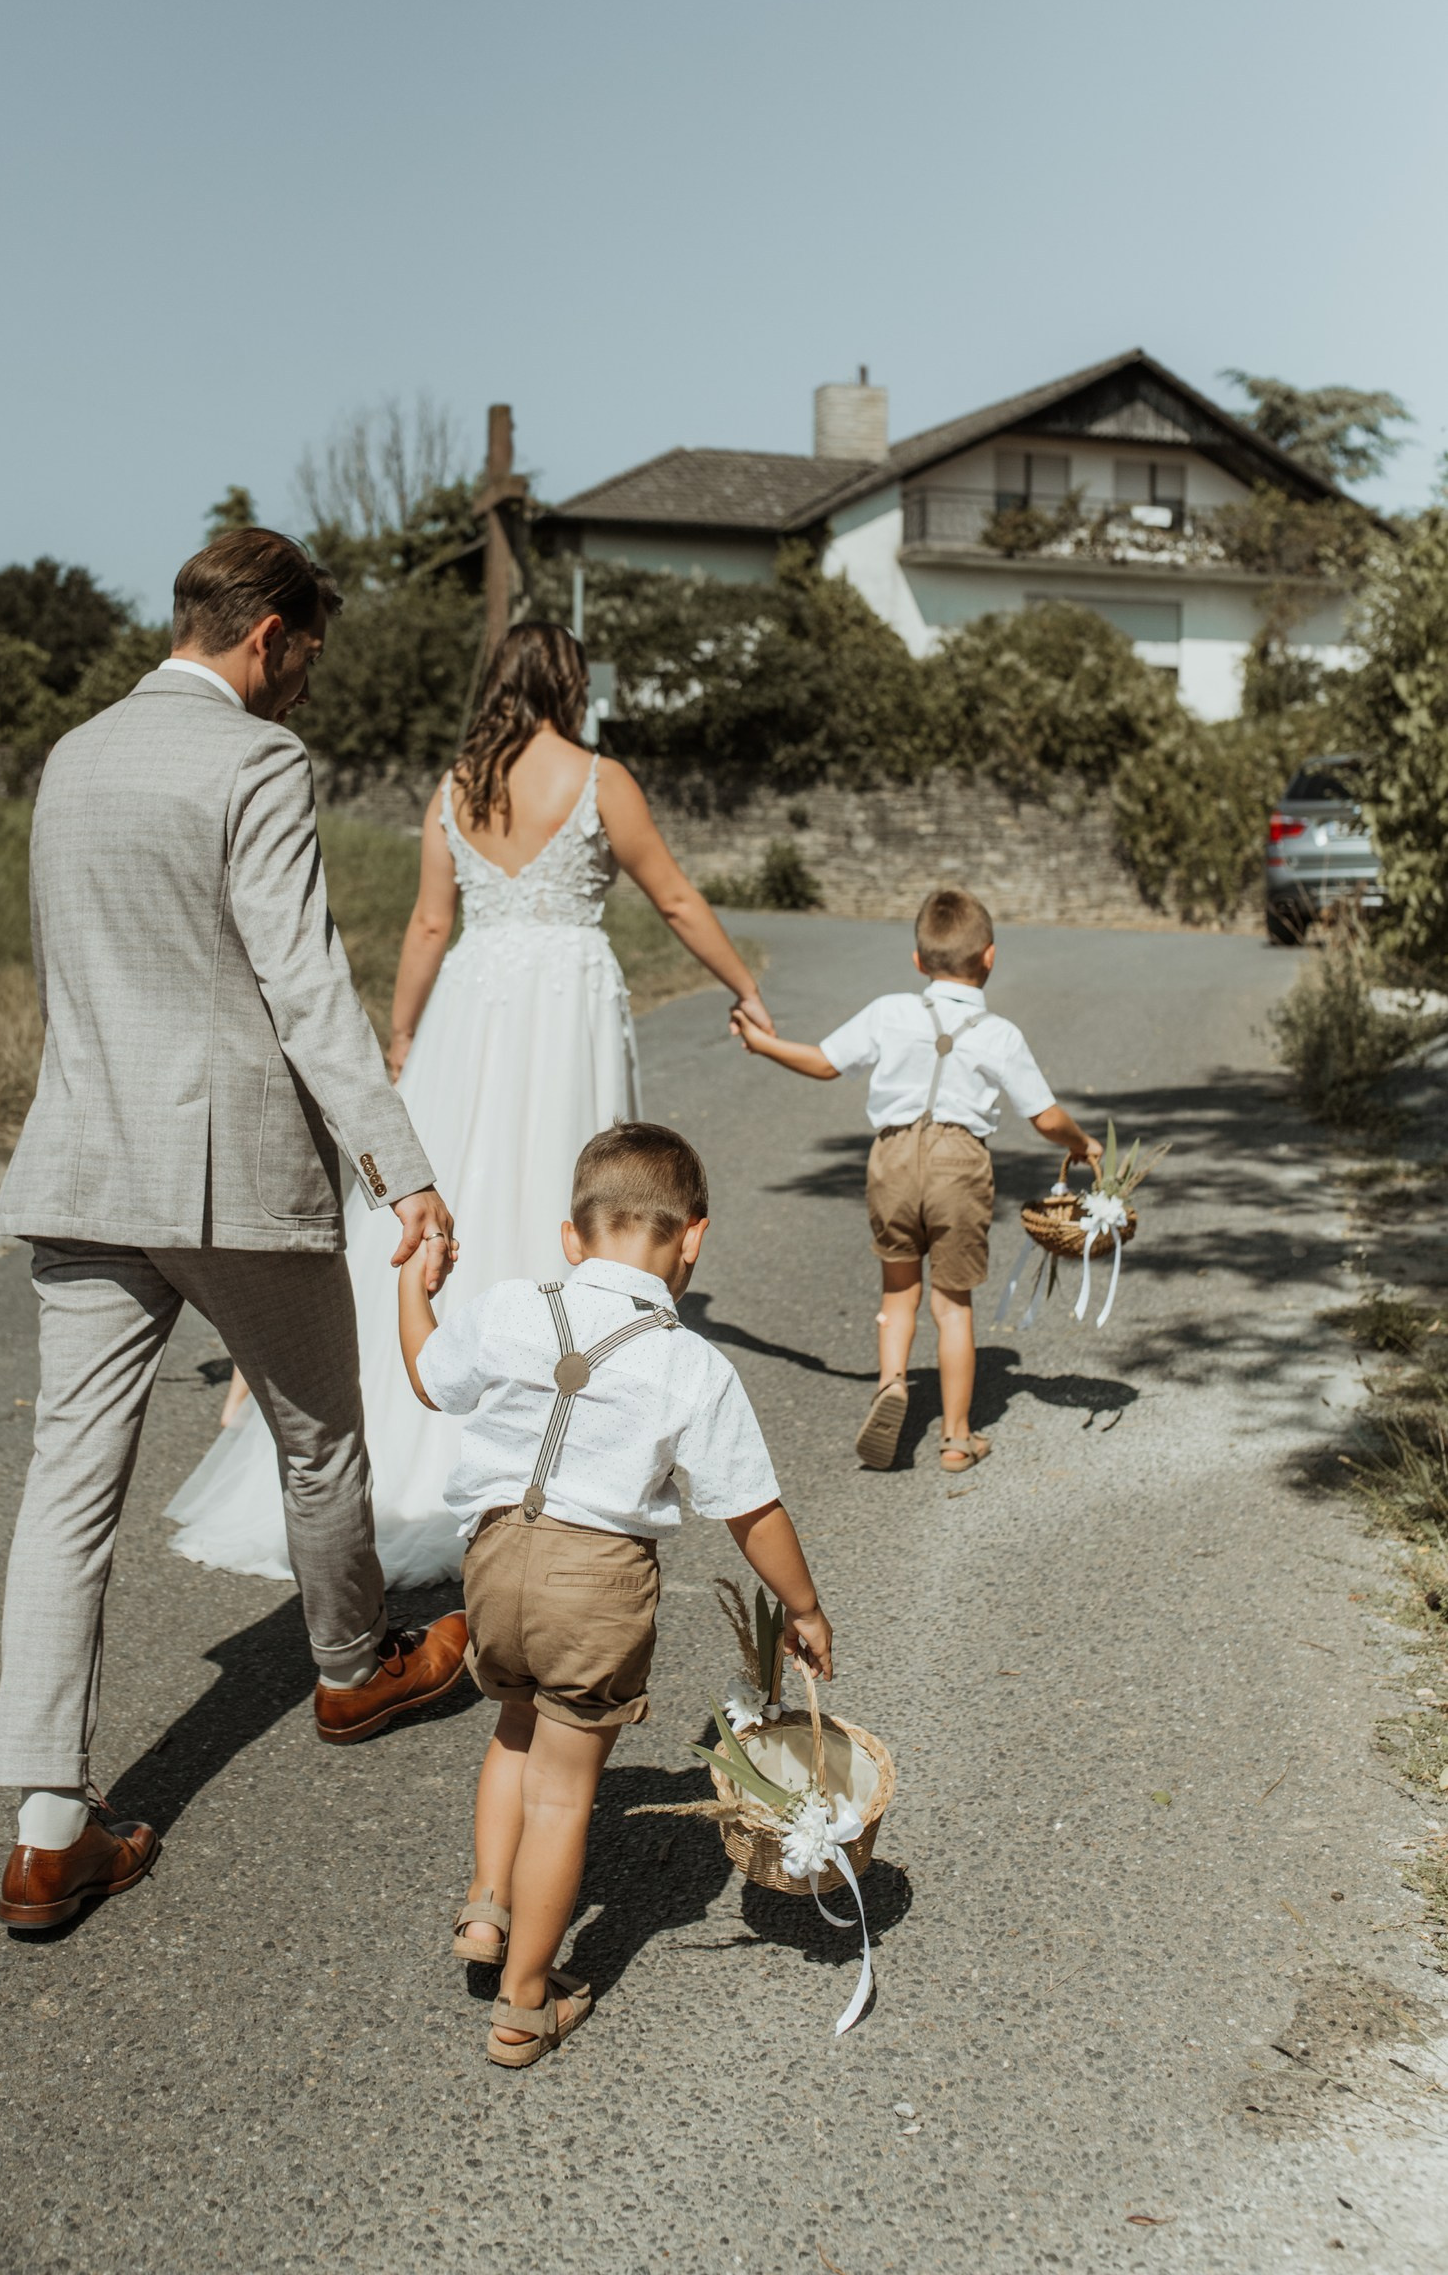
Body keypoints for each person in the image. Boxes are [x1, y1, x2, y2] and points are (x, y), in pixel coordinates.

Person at [0, 526, 469, 1935]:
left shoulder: (71, 758)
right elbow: (305, 984)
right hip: (229, 1173)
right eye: (305, 657)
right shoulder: (255, 762)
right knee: (319, 1430)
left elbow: (64, 970)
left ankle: (42, 1833)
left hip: (82, 1156)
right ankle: (346, 1671)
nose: (302, 687)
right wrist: (402, 1165)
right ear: (267, 636)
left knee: (67, 1488)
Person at [166, 621, 774, 1589]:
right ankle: (563, 1461)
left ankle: (419, 1421)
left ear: (496, 681)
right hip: (566, 1005)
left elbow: (428, 923)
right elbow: (676, 900)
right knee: (565, 1198)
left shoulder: (455, 787)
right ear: (570, 684)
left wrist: (403, 1038)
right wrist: (743, 982)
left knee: (446, 1199)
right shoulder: (601, 780)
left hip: (473, 1002)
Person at [397, 1121, 834, 2067]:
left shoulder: (512, 1307)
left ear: (571, 1237)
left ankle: (486, 1908)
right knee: (562, 1795)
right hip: (593, 1582)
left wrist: (410, 1285)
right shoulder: (692, 1365)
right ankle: (523, 2003)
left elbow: (431, 1380)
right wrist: (801, 1608)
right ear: (694, 1238)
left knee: (511, 1728)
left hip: (493, 1560)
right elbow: (749, 1510)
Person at [733, 886, 1102, 1474]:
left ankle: (891, 1384)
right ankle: (957, 1438)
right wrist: (1083, 1145)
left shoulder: (889, 1011)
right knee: (953, 1305)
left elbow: (825, 1062)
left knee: (898, 1290)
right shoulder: (1000, 1032)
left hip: (894, 1157)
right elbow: (1046, 1117)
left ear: (917, 962)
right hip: (960, 1161)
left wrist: (761, 1043)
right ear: (990, 957)